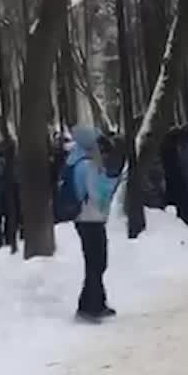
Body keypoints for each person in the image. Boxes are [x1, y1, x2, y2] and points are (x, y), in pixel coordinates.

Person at [68, 126, 120, 322]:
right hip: (90, 218)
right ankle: (89, 306)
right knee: (97, 262)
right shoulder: (87, 166)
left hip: (85, 218)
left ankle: (96, 301)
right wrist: (113, 181)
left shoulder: (75, 161)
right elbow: (98, 194)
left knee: (95, 261)